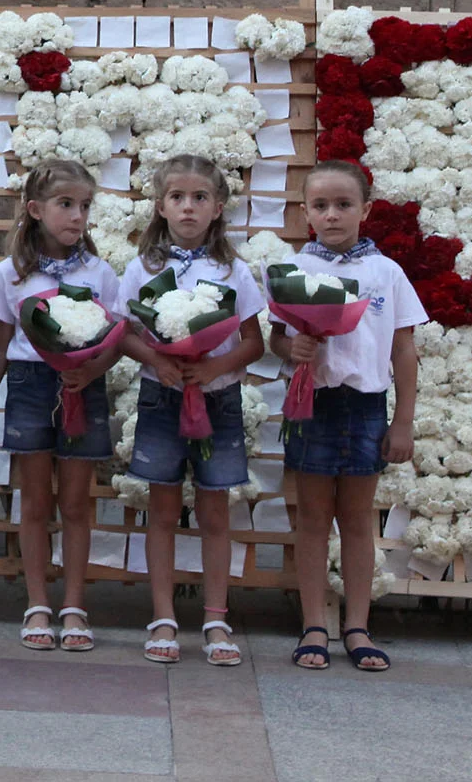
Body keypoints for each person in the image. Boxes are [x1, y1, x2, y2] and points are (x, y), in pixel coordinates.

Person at [117, 154, 267, 667]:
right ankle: (162, 616)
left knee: (214, 510)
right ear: (160, 206)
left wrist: (214, 367)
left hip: (217, 397)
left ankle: (217, 618)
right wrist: (158, 360)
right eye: (177, 198)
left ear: (218, 208)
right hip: (162, 396)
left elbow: (253, 341)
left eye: (199, 198)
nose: (188, 207)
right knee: (160, 509)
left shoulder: (233, 269)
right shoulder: (144, 267)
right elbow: (126, 333)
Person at [275, 160, 423, 673]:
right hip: (313, 402)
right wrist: (291, 346)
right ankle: (313, 623)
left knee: (358, 519)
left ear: (366, 209)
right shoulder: (297, 269)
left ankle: (357, 625)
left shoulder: (386, 272)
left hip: (365, 406)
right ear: (305, 212)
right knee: (313, 518)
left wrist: (402, 421)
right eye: (320, 206)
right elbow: (277, 336)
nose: (332, 215)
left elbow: (404, 350)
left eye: (343, 205)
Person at [0, 159, 125, 651]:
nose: (77, 216)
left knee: (75, 503)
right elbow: (0, 340)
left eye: (85, 206)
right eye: (66, 205)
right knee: (35, 501)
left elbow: (115, 337)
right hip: (28, 385)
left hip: (81, 386)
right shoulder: (10, 273)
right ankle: (37, 603)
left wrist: (91, 370)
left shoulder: (99, 271)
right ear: (36, 210)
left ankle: (74, 606)